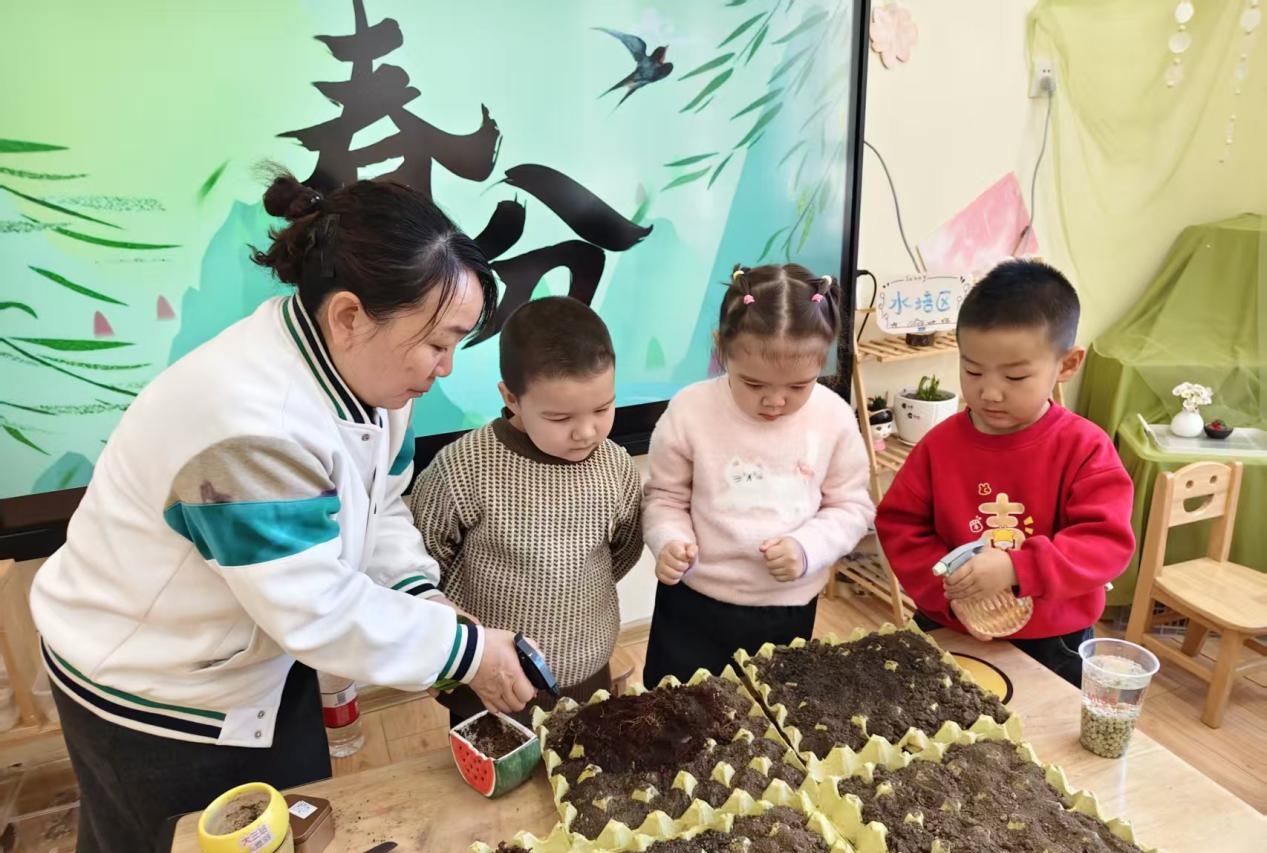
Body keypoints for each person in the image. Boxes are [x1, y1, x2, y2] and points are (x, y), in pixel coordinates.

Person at [28, 172, 539, 852]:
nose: (443, 366)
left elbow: (380, 504)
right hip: (156, 689)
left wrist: (422, 598)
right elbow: (314, 609)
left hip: (265, 653)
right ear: (349, 316)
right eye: (437, 343)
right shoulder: (248, 422)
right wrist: (466, 651)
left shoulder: (369, 375)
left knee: (294, 822)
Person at [875, 259, 1136, 686]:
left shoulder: (1085, 448)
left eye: (1015, 376)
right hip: (953, 625)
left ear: (1067, 365)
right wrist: (950, 595)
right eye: (972, 370)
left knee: (1047, 724)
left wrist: (1019, 567)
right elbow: (900, 525)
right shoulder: (939, 446)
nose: (990, 392)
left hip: (1054, 637)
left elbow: (1105, 543)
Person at [410, 296, 643, 725]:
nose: (586, 431)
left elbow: (625, 549)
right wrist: (442, 644)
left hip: (587, 665)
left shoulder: (616, 466)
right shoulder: (463, 467)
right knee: (493, 761)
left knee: (583, 756)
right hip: (489, 674)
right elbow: (424, 558)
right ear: (512, 398)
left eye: (602, 408)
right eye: (560, 418)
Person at [641, 263, 874, 685]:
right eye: (753, 384)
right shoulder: (690, 411)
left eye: (798, 386)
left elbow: (852, 507)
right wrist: (669, 540)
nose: (775, 401)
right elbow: (665, 498)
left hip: (786, 607)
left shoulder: (834, 418)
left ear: (823, 360)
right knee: (675, 712)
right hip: (693, 603)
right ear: (721, 348)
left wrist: (807, 548)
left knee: (769, 711)